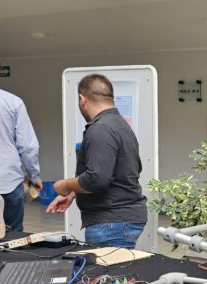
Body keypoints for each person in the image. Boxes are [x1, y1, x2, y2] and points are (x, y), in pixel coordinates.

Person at [46, 74, 147, 249]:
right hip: (121, 220)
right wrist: (73, 193)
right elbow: (118, 173)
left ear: (82, 99)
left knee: (107, 276)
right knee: (119, 274)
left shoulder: (100, 129)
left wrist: (66, 185)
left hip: (111, 223)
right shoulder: (120, 125)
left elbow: (97, 179)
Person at [0, 73, 42, 232]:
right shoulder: (13, 103)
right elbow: (28, 146)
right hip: (8, 182)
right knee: (13, 238)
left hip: (8, 181)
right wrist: (34, 176)